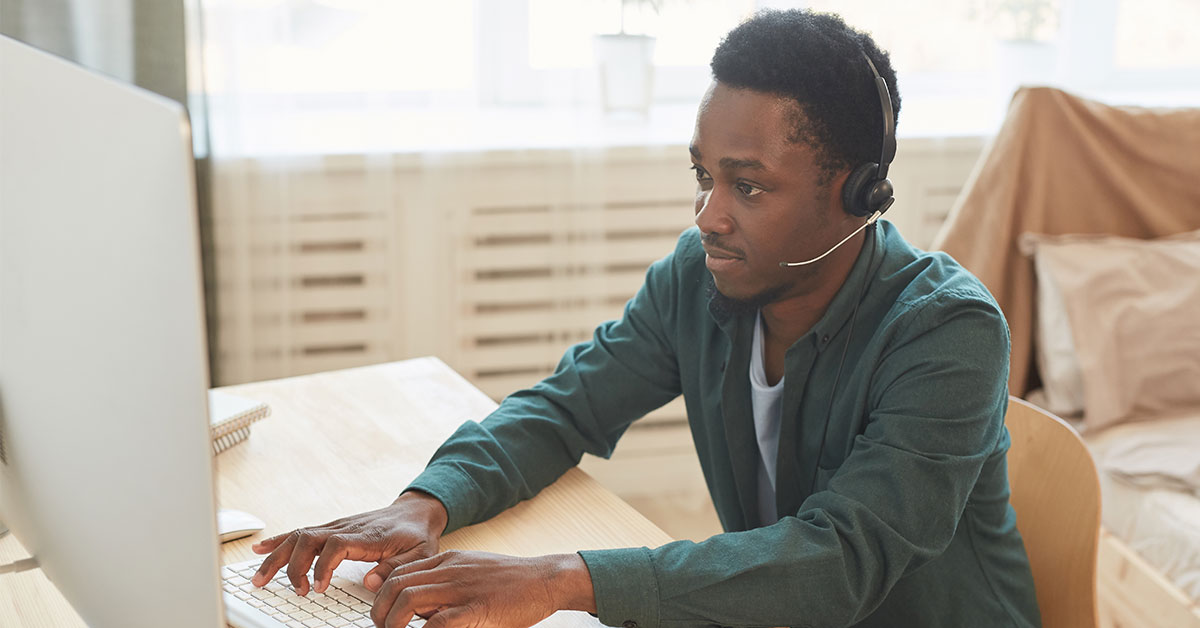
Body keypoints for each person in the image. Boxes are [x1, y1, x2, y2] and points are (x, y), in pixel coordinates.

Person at [250, 9, 1040, 628]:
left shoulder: (947, 333)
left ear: (857, 196)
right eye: (703, 175)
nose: (708, 215)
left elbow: (839, 560)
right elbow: (565, 408)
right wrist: (423, 505)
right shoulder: (699, 280)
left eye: (748, 186)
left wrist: (561, 579)